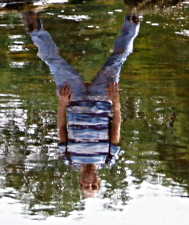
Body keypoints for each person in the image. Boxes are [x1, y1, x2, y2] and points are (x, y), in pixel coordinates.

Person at [22, 10, 141, 196]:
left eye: (87, 187)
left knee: (53, 62)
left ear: (80, 183)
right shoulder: (109, 158)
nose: (90, 184)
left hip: (73, 98)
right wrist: (116, 101)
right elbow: (116, 126)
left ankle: (34, 28)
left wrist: (62, 103)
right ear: (99, 182)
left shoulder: (69, 158)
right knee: (118, 59)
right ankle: (133, 19)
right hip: (102, 98)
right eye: (94, 186)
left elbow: (62, 127)